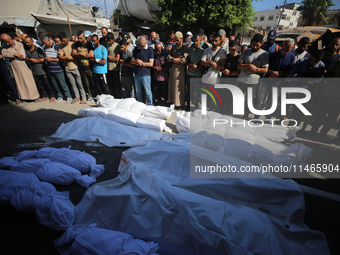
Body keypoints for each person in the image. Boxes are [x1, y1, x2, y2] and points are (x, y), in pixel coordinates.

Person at [0, 33, 39, 102]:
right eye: (6, 42)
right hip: (14, 66)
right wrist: (14, 54)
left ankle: (34, 96)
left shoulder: (19, 44)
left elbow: (22, 56)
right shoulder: (5, 46)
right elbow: (3, 53)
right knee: (19, 82)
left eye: (8, 41)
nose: (8, 44)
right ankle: (24, 97)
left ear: (11, 39)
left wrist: (10, 54)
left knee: (28, 81)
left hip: (22, 65)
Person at [237, 33, 269, 118]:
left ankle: (246, 115)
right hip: (242, 79)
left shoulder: (264, 54)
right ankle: (236, 114)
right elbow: (239, 65)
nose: (255, 46)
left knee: (249, 100)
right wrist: (249, 66)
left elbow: (265, 69)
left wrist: (255, 69)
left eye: (257, 45)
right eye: (253, 44)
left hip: (253, 81)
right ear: (251, 42)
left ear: (261, 44)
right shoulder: (246, 51)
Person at [311, 58, 340, 136]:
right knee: (321, 113)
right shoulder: (337, 63)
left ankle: (323, 133)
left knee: (333, 118)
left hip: (338, 98)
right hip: (329, 92)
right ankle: (314, 130)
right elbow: (327, 75)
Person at [24, 36, 57, 102]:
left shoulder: (38, 49)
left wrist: (36, 60)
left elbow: (43, 58)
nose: (27, 44)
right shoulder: (27, 51)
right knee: (40, 84)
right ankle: (45, 96)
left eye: (28, 42)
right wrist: (30, 59)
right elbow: (26, 58)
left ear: (32, 42)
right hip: (35, 70)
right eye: (25, 43)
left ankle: (52, 95)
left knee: (47, 84)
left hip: (42, 69)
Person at [41, 35, 72, 103]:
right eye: (43, 43)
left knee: (62, 83)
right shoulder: (45, 48)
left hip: (58, 69)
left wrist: (52, 59)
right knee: (55, 84)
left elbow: (61, 59)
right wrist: (46, 58)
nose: (44, 44)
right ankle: (60, 96)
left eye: (45, 43)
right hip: (50, 69)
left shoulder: (56, 47)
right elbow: (45, 57)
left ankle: (68, 96)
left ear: (49, 40)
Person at [57, 32, 86, 104]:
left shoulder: (73, 44)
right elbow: (60, 57)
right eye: (62, 41)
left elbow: (76, 55)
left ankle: (84, 97)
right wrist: (67, 57)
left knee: (79, 84)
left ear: (67, 38)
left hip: (75, 67)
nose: (63, 42)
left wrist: (70, 57)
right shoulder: (60, 46)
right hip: (67, 68)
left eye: (64, 40)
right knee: (73, 84)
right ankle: (77, 97)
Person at [72, 30, 96, 104]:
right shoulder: (76, 44)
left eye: (81, 38)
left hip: (89, 67)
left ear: (84, 37)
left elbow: (91, 54)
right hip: (81, 67)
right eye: (78, 38)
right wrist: (81, 53)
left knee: (92, 82)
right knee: (86, 83)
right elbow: (73, 53)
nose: (79, 40)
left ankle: (94, 95)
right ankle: (90, 96)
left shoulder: (89, 44)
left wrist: (80, 53)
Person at [131, 36, 154, 105]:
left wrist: (142, 63)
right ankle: (140, 104)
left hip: (145, 74)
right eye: (139, 45)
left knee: (148, 91)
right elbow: (132, 61)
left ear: (146, 42)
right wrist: (136, 61)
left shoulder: (150, 50)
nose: (140, 47)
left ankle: (150, 104)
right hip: (137, 73)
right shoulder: (136, 49)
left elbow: (151, 64)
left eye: (142, 46)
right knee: (138, 91)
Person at [167, 31, 188, 108]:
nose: (176, 42)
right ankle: (172, 102)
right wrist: (174, 60)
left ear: (181, 39)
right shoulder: (174, 47)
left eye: (177, 40)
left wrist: (174, 59)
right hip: (173, 69)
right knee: (172, 86)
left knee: (179, 87)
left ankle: (179, 104)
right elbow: (168, 57)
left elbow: (183, 60)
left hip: (180, 70)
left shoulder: (185, 48)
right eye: (175, 40)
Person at [186, 34, 205, 109]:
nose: (195, 43)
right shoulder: (190, 50)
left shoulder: (203, 51)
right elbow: (187, 61)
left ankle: (196, 106)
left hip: (197, 75)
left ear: (200, 41)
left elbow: (203, 63)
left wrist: (197, 67)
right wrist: (190, 66)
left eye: (197, 41)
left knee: (197, 92)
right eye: (194, 41)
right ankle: (187, 106)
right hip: (190, 73)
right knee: (188, 91)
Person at [107, 32, 121, 98]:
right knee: (111, 84)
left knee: (116, 84)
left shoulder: (117, 46)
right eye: (108, 40)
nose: (109, 42)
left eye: (110, 40)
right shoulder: (108, 45)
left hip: (115, 68)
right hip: (109, 68)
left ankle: (118, 96)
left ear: (113, 39)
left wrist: (111, 58)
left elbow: (117, 58)